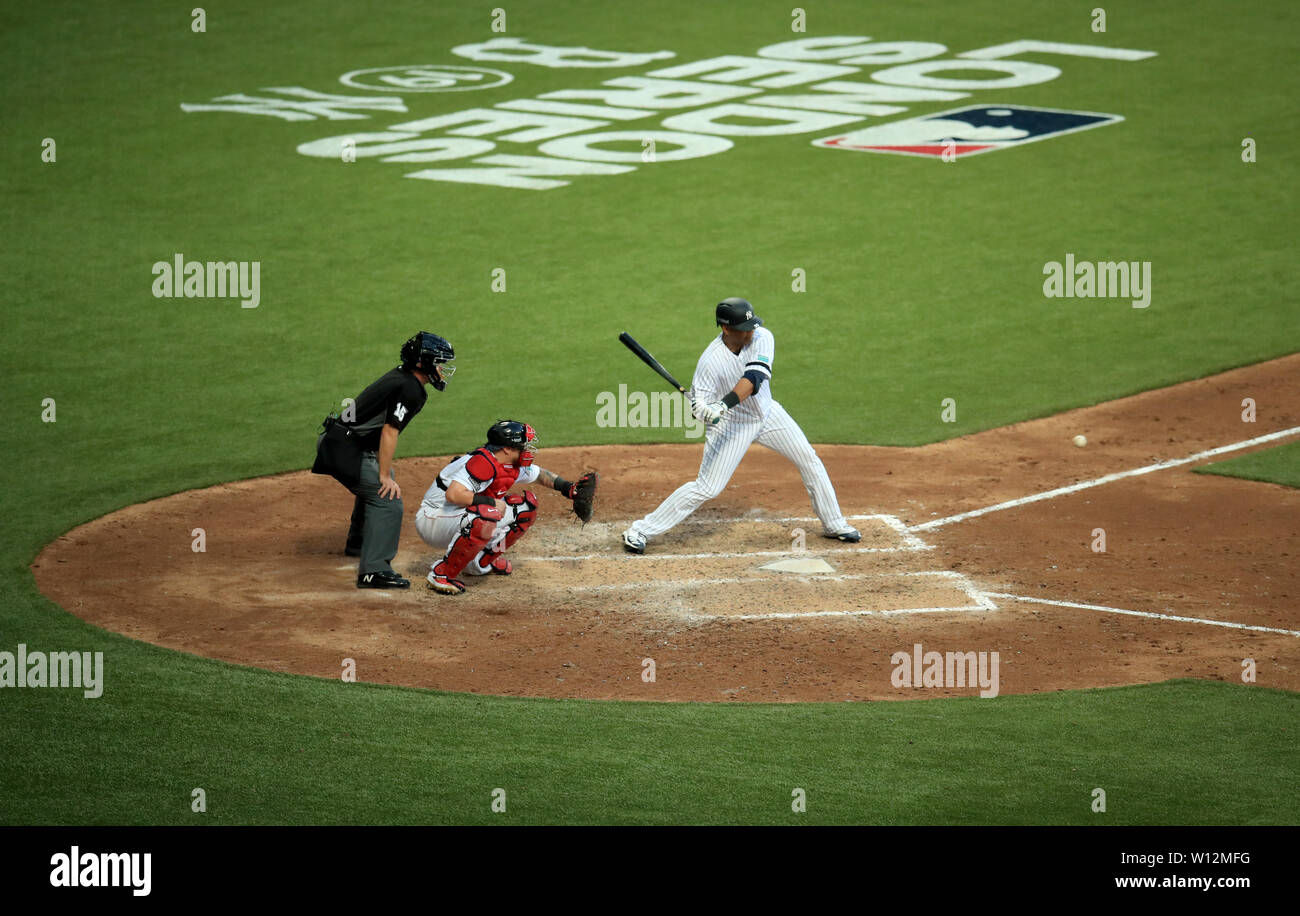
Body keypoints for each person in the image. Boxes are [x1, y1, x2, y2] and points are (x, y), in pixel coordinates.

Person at [621, 298, 860, 554]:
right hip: (731, 426)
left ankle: (834, 523)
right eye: (745, 327)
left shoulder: (762, 337)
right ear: (726, 329)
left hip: (768, 415)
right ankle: (639, 530)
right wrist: (703, 411)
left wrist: (721, 404)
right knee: (707, 487)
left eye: (752, 324)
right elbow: (699, 410)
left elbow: (754, 378)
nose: (752, 330)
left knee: (808, 459)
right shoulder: (710, 362)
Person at [312, 331, 455, 588]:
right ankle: (374, 571)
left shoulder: (403, 377)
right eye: (439, 362)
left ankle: (359, 543)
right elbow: (390, 431)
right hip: (344, 447)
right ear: (423, 363)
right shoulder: (410, 388)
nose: (442, 369)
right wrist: (383, 475)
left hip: (342, 441)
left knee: (380, 483)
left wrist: (383, 470)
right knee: (387, 497)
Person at [416, 420, 588, 594]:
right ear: (507, 448)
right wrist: (491, 502)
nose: (527, 449)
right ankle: (441, 574)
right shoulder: (482, 463)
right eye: (522, 445)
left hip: (457, 516)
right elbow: (453, 495)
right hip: (434, 518)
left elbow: (539, 475)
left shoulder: (508, 464)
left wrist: (568, 488)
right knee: (486, 514)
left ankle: (479, 562)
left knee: (526, 509)